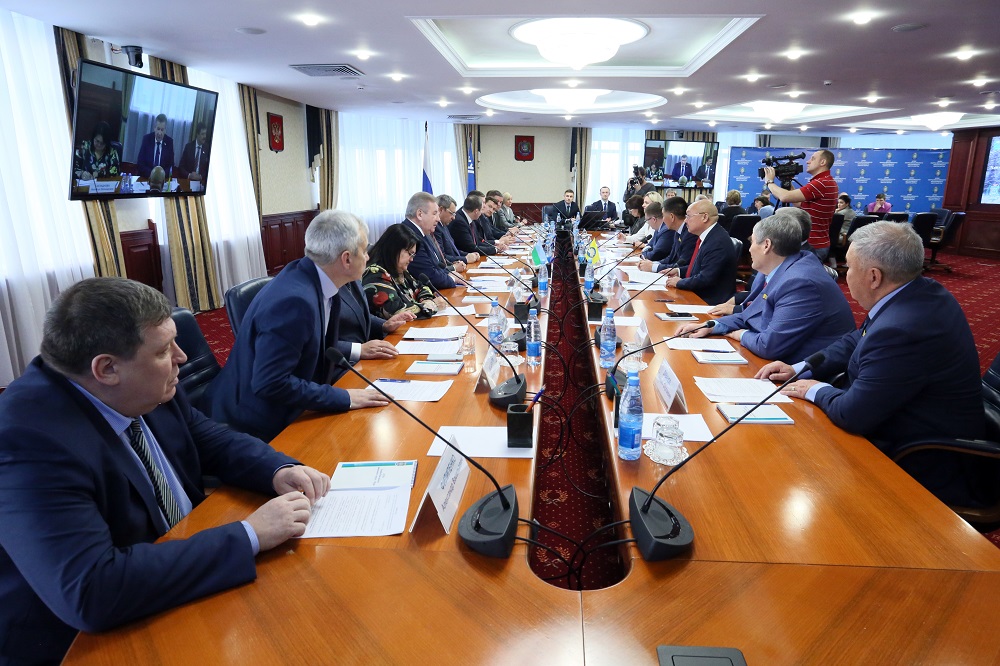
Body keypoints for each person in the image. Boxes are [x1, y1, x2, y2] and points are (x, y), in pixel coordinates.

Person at [0, 277, 329, 664]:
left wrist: (276, 468)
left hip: (176, 568)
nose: (182, 357)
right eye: (163, 350)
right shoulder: (27, 442)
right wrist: (249, 535)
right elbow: (92, 590)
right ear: (107, 368)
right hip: (88, 639)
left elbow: (206, 437)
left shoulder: (140, 385)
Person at [756, 221, 986, 506]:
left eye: (850, 267)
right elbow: (856, 339)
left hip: (919, 460)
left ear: (874, 277)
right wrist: (800, 367)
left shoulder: (903, 329)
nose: (845, 273)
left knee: (788, 467)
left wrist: (813, 388)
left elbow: (852, 414)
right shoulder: (916, 292)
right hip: (897, 420)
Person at [209, 210, 392, 442]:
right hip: (253, 423)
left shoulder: (320, 278)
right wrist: (342, 398)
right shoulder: (294, 302)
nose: (367, 256)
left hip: (291, 402)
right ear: (346, 259)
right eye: (364, 250)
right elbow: (270, 383)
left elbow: (316, 345)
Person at [677, 213, 854, 361]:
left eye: (752, 242)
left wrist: (741, 334)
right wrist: (712, 325)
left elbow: (769, 346)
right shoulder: (777, 270)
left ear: (766, 245)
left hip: (803, 371)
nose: (749, 249)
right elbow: (750, 314)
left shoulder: (800, 282)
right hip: (777, 358)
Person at [763, 149, 838, 262]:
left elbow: (784, 197)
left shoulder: (821, 183)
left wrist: (769, 182)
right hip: (817, 242)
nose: (808, 161)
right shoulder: (825, 181)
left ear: (822, 162)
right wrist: (788, 181)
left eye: (812, 158)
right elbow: (798, 203)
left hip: (812, 245)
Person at [662, 198, 737, 305]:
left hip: (709, 301)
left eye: (688, 216)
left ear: (704, 217)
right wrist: (678, 271)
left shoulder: (717, 242)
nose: (685, 220)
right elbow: (700, 268)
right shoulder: (709, 236)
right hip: (698, 295)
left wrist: (679, 282)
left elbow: (706, 278)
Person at [363, 223, 443, 320]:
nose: (411, 259)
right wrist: (432, 305)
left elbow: (422, 288)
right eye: (410, 254)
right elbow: (397, 311)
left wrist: (426, 300)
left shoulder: (398, 270)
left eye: (413, 255)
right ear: (394, 249)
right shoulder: (374, 273)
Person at [400, 191, 456, 290]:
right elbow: (428, 275)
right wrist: (452, 279)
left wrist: (450, 274)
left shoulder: (424, 233)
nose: (438, 219)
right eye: (434, 214)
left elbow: (437, 266)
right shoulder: (408, 236)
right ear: (420, 214)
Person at [638, 197, 695, 274]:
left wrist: (653, 267)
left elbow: (681, 265)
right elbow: (671, 258)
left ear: (672, 217)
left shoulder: (690, 234)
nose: (663, 220)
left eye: (663, 216)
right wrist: (653, 264)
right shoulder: (677, 231)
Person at [435, 194, 477, 268]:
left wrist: (468, 255)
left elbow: (453, 250)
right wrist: (465, 259)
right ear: (441, 210)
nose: (454, 218)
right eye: (452, 213)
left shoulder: (444, 226)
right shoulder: (435, 228)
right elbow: (442, 257)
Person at [135, 113, 175, 178]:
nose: (159, 133)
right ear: (154, 128)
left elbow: (171, 166)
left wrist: (161, 175)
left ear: (165, 130)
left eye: (162, 130)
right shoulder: (147, 139)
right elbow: (140, 163)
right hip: (147, 177)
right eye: (158, 129)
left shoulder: (169, 142)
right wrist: (153, 174)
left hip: (162, 179)